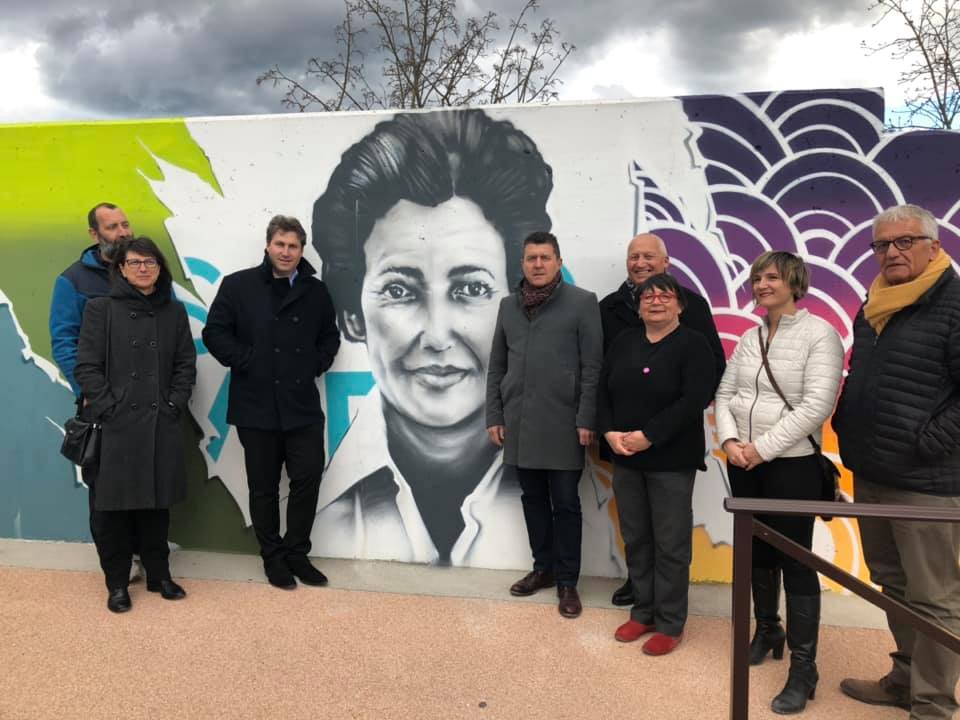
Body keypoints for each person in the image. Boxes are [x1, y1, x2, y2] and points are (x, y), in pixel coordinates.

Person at [311, 109, 553, 567]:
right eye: (400, 290)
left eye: (471, 289)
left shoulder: (568, 499)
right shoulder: (322, 513)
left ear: (514, 305)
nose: (437, 335)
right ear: (352, 315)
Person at [832, 204, 960, 720]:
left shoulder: (953, 302)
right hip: (874, 469)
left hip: (926, 480)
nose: (892, 253)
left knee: (936, 597)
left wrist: (928, 440)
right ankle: (906, 680)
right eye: (882, 245)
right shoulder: (876, 302)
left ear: (933, 245)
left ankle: (933, 705)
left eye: (904, 242)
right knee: (894, 581)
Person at [714, 250, 843, 714]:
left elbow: (816, 406)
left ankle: (804, 668)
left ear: (794, 282)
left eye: (771, 277)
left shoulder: (819, 334)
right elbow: (726, 393)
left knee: (796, 561)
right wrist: (731, 441)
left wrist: (760, 448)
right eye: (756, 277)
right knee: (757, 553)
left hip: (790, 465)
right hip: (744, 462)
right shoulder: (750, 337)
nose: (762, 284)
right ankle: (768, 628)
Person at [203, 215, 341, 589]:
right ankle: (273, 556)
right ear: (268, 246)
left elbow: (330, 337)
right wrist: (246, 360)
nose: (286, 252)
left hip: (301, 405)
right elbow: (214, 332)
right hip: (256, 404)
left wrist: (316, 362)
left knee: (307, 479)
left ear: (301, 250)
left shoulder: (316, 291)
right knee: (262, 486)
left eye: (293, 246)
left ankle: (297, 553)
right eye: (280, 244)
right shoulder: (238, 286)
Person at [599, 231, 725, 607]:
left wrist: (655, 431)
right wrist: (610, 430)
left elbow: (710, 372)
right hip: (623, 444)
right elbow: (600, 374)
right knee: (635, 529)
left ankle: (666, 608)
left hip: (671, 442)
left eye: (649, 256)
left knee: (669, 533)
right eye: (634, 256)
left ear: (666, 263)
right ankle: (641, 591)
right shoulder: (608, 309)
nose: (641, 263)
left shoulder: (693, 307)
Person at [74, 236, 197, 613]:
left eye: (150, 262)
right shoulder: (101, 309)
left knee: (156, 506)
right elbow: (87, 366)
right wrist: (110, 408)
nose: (143, 268)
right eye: (135, 262)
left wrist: (174, 403)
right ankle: (116, 584)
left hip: (160, 422)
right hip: (115, 426)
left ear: (160, 269)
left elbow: (185, 365)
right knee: (111, 511)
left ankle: (159, 575)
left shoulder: (173, 313)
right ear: (121, 269)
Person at [486, 231, 603, 619]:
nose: (537, 264)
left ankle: (568, 581)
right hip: (519, 422)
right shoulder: (508, 306)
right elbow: (497, 366)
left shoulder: (583, 303)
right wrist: (494, 415)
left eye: (545, 257)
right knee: (532, 500)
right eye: (531, 258)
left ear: (558, 261)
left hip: (564, 424)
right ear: (522, 263)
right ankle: (544, 569)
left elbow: (592, 368)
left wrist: (587, 418)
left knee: (566, 504)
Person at [49, 203, 144, 581]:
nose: (122, 232)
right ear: (94, 235)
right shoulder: (72, 281)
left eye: (125, 224)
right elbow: (64, 342)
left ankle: (142, 554)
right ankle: (116, 568)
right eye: (112, 227)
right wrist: (90, 392)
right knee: (105, 491)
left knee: (144, 481)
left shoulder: (144, 272)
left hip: (144, 403)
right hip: (100, 405)